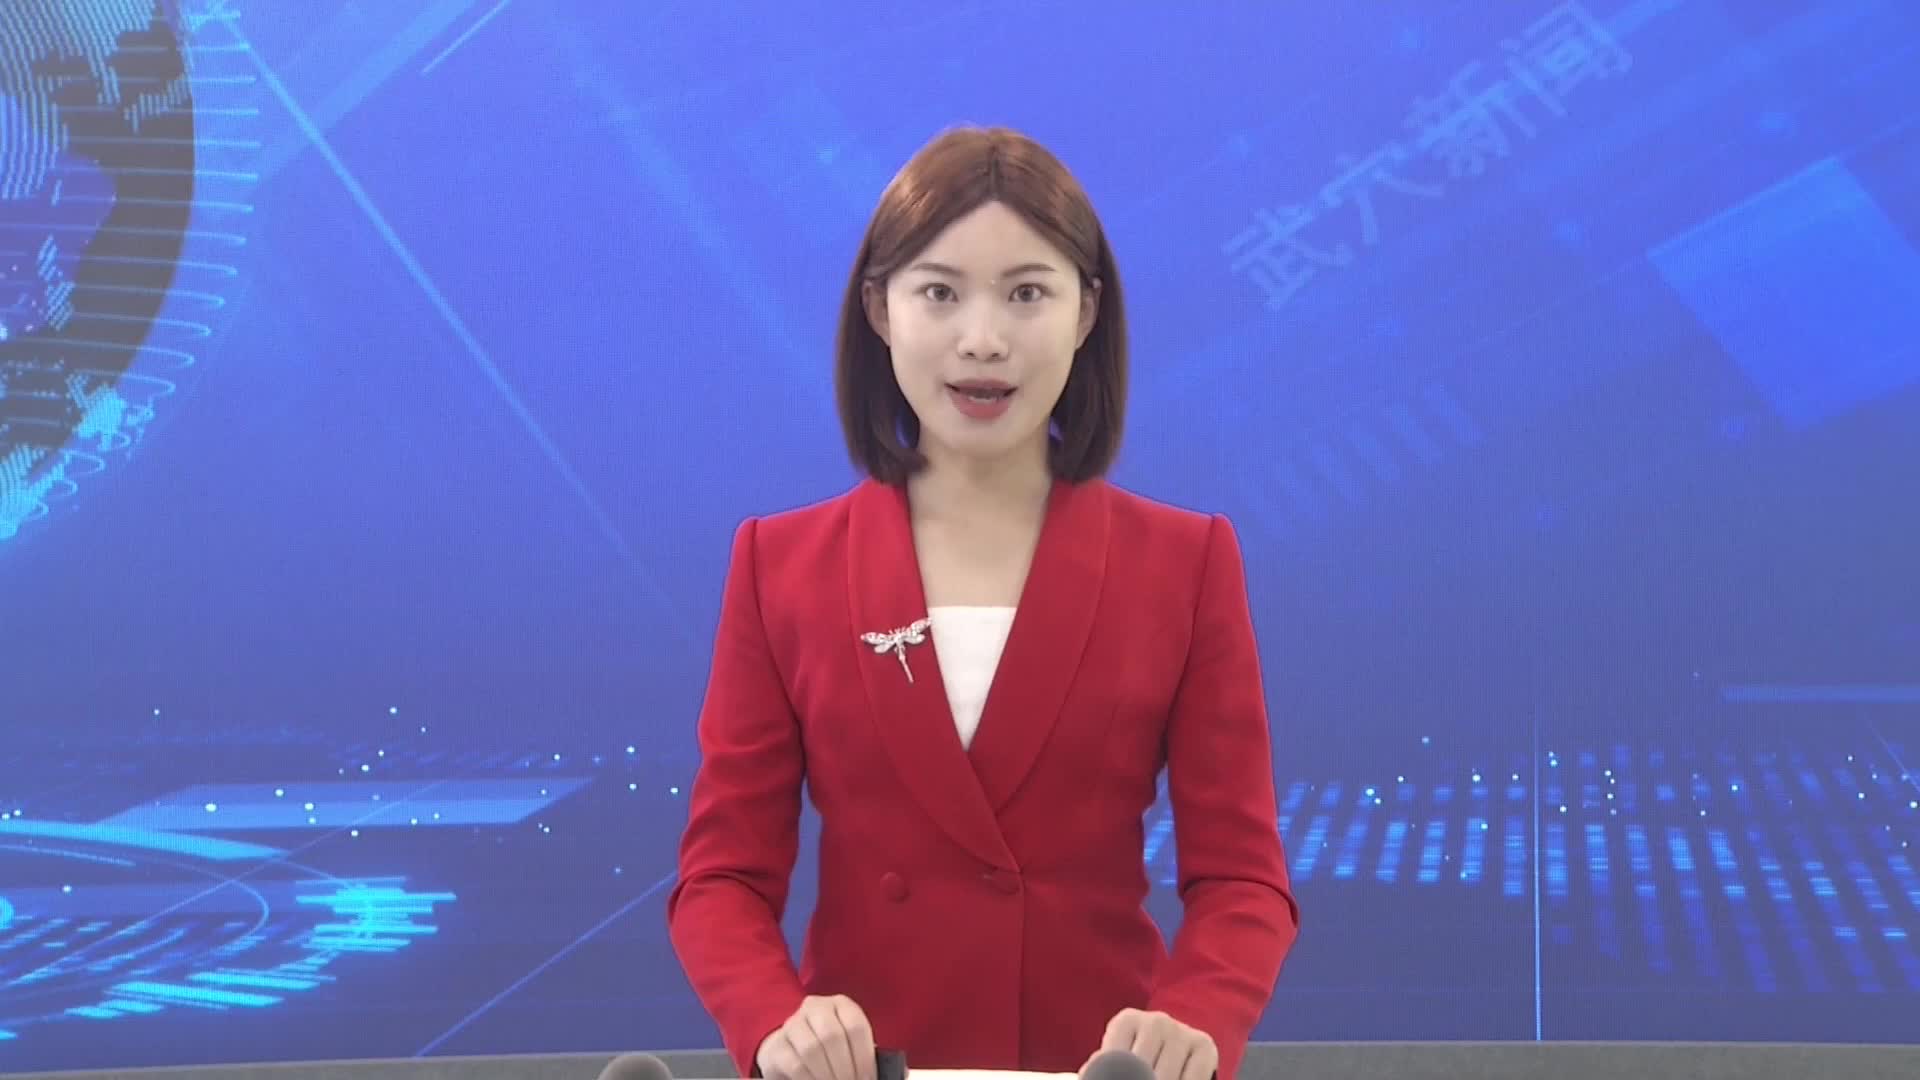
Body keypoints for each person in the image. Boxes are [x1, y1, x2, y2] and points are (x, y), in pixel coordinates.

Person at [666, 125, 1298, 1080]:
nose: (983, 339)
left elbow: (1243, 879)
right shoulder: (779, 564)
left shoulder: (1186, 562)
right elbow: (722, 878)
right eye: (939, 292)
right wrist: (774, 1020)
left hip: (1098, 1070)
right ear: (879, 309)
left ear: (1087, 312)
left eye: (1027, 293)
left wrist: (1194, 1020)